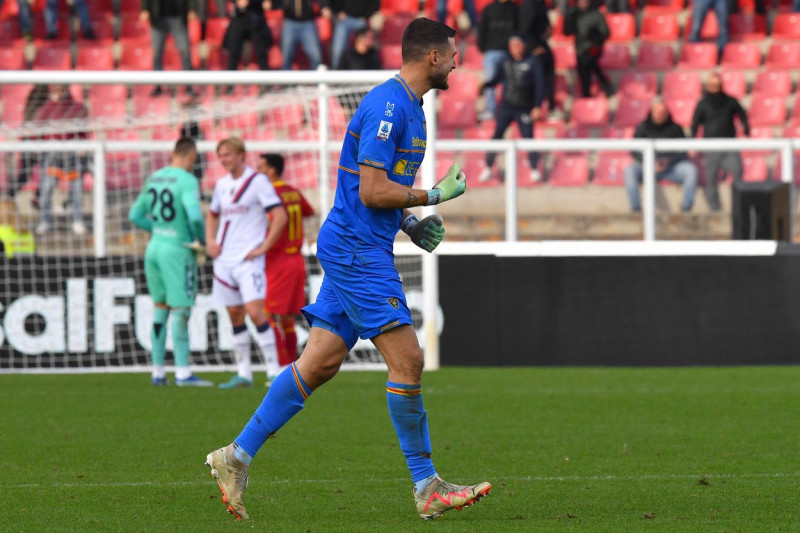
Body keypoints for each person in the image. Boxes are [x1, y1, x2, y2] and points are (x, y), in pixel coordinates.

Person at [205, 17, 490, 522]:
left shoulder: (413, 110)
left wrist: (410, 223)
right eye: (451, 54)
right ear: (431, 58)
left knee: (318, 365)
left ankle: (236, 456)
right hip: (357, 251)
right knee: (408, 361)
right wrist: (433, 197)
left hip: (360, 243)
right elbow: (370, 191)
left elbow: (379, 191)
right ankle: (427, 486)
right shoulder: (387, 106)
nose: (456, 62)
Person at [128, 138, 214, 387]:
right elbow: (196, 216)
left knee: (160, 307)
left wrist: (157, 230)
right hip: (177, 250)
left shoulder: (155, 177)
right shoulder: (186, 180)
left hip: (154, 248)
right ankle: (183, 373)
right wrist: (196, 238)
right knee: (181, 310)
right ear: (190, 155)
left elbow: (135, 214)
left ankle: (157, 371)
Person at [205, 137, 288, 388]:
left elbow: (280, 216)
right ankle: (244, 373)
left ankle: (274, 370)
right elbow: (212, 215)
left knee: (255, 312)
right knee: (234, 315)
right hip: (224, 261)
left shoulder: (257, 181)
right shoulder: (220, 185)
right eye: (221, 156)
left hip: (248, 260)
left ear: (242, 155)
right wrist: (210, 240)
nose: (224, 160)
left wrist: (264, 246)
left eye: (228, 154)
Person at [255, 153, 314, 367]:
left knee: (267, 315)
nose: (256, 171)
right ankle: (292, 365)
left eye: (260, 167)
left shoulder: (270, 195)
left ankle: (278, 367)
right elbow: (309, 212)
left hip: (277, 262)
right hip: (296, 261)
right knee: (287, 320)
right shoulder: (293, 192)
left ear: (272, 170)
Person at [477, 35, 545, 183]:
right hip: (507, 106)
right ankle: (488, 167)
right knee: (497, 136)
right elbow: (497, 78)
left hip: (525, 107)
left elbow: (540, 84)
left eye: (517, 45)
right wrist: (486, 85)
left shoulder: (533, 61)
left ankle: (534, 169)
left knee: (528, 138)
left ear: (523, 46)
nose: (514, 48)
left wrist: (538, 106)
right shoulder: (505, 61)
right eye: (511, 45)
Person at [624, 100, 699, 213]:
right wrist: (650, 162)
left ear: (667, 113)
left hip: (671, 168)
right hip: (647, 167)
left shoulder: (675, 128)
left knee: (690, 170)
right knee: (629, 171)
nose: (660, 115)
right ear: (652, 113)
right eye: (657, 112)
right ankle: (636, 209)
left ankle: (686, 208)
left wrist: (668, 161)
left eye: (663, 112)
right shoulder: (643, 127)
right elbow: (634, 149)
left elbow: (683, 151)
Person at [34, 84, 89, 236]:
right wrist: (39, 144)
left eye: (61, 89)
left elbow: (84, 131)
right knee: (47, 187)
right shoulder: (47, 108)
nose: (58, 92)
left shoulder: (77, 108)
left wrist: (83, 145)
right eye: (56, 89)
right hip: (53, 153)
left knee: (77, 189)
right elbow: (39, 129)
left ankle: (77, 220)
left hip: (72, 152)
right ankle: (44, 221)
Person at [690, 73, 749, 212]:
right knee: (710, 178)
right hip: (710, 146)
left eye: (717, 85)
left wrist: (746, 131)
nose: (714, 88)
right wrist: (692, 142)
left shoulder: (730, 101)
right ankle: (714, 209)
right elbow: (695, 124)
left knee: (737, 172)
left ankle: (738, 207)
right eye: (711, 85)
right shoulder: (703, 103)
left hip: (730, 145)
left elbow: (742, 115)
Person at [141, 0, 198, 97]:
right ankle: (158, 86)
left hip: (178, 16)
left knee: (185, 52)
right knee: (157, 54)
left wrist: (192, 9)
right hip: (158, 17)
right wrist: (144, 9)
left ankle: (189, 87)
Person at [477, 0, 518, 120]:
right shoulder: (489, 9)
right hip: (492, 52)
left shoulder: (514, 9)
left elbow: (518, 29)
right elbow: (482, 29)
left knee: (509, 84)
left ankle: (507, 111)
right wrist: (483, 47)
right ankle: (490, 110)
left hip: (509, 53)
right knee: (490, 83)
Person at [564, 0, 613, 98]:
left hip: (593, 47)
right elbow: (567, 31)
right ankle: (599, 87)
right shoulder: (575, 15)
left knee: (586, 62)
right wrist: (568, 18)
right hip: (580, 48)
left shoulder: (595, 14)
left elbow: (605, 32)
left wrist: (595, 35)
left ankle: (593, 90)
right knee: (584, 66)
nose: (583, 4)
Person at [12, 85, 49, 202]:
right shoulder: (41, 108)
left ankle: (9, 195)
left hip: (32, 143)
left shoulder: (30, 108)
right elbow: (33, 129)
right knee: (46, 174)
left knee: (36, 174)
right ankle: (37, 197)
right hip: (34, 143)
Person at [519, 0, 555, 116]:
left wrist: (548, 28)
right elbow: (524, 30)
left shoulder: (541, 4)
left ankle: (551, 106)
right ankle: (533, 107)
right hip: (531, 47)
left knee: (549, 74)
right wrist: (532, 48)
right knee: (537, 79)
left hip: (541, 43)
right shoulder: (528, 5)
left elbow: (546, 24)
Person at [277, 0, 331, 70]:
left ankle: (317, 79)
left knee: (316, 56)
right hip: (289, 21)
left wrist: (324, 7)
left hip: (308, 22)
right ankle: (286, 80)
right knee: (286, 57)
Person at [223, 0, 273, 74]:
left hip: (255, 17)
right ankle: (230, 83)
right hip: (239, 17)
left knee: (261, 52)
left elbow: (265, 4)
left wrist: (249, 1)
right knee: (233, 52)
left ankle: (265, 83)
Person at [329, 0, 378, 70]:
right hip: (345, 19)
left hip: (362, 19)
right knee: (338, 48)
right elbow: (334, 2)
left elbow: (375, 3)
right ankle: (336, 71)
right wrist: (338, 11)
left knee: (367, 41)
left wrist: (366, 16)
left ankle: (368, 69)